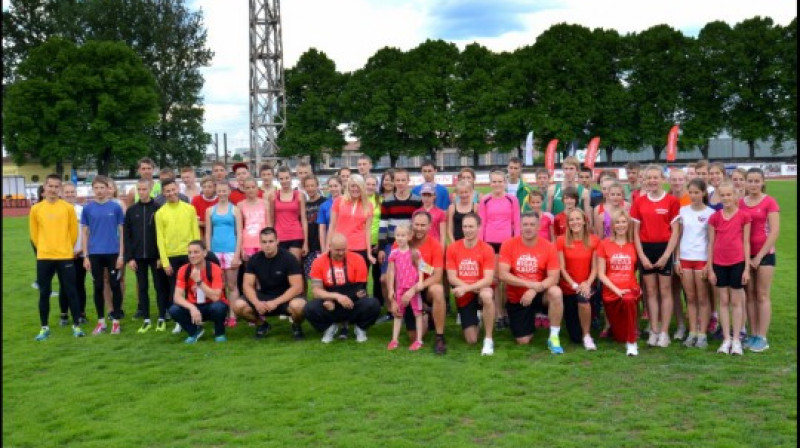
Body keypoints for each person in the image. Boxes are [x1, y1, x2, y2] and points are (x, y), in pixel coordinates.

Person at [498, 211, 564, 354]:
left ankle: (553, 337)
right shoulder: (508, 244)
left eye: (532, 224)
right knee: (523, 341)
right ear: (520, 226)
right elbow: (502, 274)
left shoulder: (548, 246)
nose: (528, 228)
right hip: (518, 296)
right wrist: (529, 285)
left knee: (556, 292)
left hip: (540, 292)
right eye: (525, 224)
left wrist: (535, 289)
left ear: (539, 226)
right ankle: (532, 318)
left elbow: (554, 277)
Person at [30, 174, 84, 340]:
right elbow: (34, 234)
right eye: (50, 186)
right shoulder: (36, 209)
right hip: (44, 257)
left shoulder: (67, 208)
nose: (52, 190)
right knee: (44, 292)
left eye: (56, 187)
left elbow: (73, 233)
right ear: (44, 188)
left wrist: (65, 248)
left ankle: (76, 326)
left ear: (59, 189)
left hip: (64, 256)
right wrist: (45, 248)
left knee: (70, 290)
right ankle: (44, 327)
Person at [631, 165, 680, 348]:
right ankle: (653, 329)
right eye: (649, 178)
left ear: (662, 179)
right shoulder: (639, 202)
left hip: (664, 249)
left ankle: (665, 332)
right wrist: (641, 255)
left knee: (665, 291)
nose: (652, 181)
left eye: (655, 177)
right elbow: (635, 232)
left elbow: (676, 231)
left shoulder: (671, 201)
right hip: (645, 249)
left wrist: (667, 255)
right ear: (644, 181)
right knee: (650, 291)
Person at [304, 233, 381, 343]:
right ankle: (329, 328)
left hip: (352, 302)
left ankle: (360, 328)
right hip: (330, 304)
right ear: (329, 247)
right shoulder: (318, 262)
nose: (341, 253)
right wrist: (333, 298)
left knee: (373, 304)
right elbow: (316, 291)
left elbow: (361, 291)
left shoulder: (358, 259)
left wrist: (345, 298)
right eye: (337, 250)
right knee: (309, 308)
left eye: (343, 250)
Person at [233, 227, 306, 339]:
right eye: (264, 242)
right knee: (238, 306)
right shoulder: (255, 259)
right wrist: (256, 303)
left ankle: (296, 326)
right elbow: (247, 285)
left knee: (299, 306)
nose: (267, 245)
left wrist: (276, 302)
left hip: (285, 297)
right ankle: (262, 325)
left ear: (277, 241)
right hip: (264, 296)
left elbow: (297, 287)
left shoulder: (289, 258)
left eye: (271, 241)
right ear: (260, 243)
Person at [708, 181, 751, 356]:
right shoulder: (715, 217)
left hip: (737, 263)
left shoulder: (744, 217)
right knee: (723, 302)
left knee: (736, 302)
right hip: (719, 263)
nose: (726, 198)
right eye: (723, 195)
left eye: (729, 195)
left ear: (736, 196)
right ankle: (726, 339)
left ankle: (736, 339)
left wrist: (747, 268)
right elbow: (711, 244)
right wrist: (710, 268)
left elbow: (746, 243)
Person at [397, 211, 448, 354]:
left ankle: (440, 336)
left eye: (423, 225)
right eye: (416, 224)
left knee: (438, 289)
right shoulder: (402, 240)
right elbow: (393, 270)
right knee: (413, 337)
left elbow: (437, 275)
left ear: (430, 226)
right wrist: (393, 296)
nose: (419, 228)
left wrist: (416, 287)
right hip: (406, 287)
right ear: (412, 224)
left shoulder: (435, 245)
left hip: (424, 286)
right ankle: (427, 314)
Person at [445, 213, 496, 355]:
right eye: (465, 226)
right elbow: (451, 277)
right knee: (471, 339)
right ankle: (478, 318)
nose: (467, 230)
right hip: (465, 293)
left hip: (479, 290)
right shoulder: (453, 248)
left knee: (487, 295)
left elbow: (488, 279)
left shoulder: (487, 249)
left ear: (479, 227)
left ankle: (488, 339)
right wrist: (467, 289)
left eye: (471, 226)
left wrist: (467, 287)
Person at [155, 179, 201, 334]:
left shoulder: (189, 209)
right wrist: (165, 261)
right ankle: (180, 321)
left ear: (178, 189)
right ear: (163, 193)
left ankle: (198, 317)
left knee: (193, 288)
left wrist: (197, 255)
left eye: (173, 190)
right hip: (172, 256)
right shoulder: (160, 213)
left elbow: (195, 233)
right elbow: (160, 239)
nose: (171, 193)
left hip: (189, 255)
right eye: (167, 191)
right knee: (176, 290)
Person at [740, 168, 779, 352]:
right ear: (746, 183)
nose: (753, 185)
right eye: (750, 181)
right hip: (746, 256)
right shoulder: (741, 202)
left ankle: (762, 336)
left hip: (765, 255)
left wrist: (760, 256)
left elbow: (774, 231)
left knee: (762, 295)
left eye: (757, 181)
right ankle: (752, 334)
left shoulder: (769, 202)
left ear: (763, 182)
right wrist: (748, 258)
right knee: (749, 295)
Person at [82, 176, 125, 335]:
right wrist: (86, 256)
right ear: (93, 190)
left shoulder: (116, 208)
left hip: (113, 253)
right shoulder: (88, 209)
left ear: (108, 189)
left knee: (115, 285)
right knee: (98, 286)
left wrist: (121, 255)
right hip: (95, 254)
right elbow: (85, 234)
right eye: (96, 188)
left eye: (102, 188)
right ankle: (101, 322)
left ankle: (115, 320)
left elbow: (122, 233)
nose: (99, 191)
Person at [478, 170, 521, 331]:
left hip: (508, 244)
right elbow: (481, 223)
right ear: (490, 183)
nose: (497, 184)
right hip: (490, 244)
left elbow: (516, 222)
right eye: (494, 181)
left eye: (499, 181)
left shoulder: (512, 200)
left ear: (505, 182)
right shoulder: (485, 200)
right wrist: (482, 245)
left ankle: (506, 311)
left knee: (506, 279)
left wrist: (516, 243)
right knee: (495, 280)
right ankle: (497, 314)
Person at [124, 179, 169, 333]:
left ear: (150, 189)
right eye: (139, 189)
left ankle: (162, 317)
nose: (142, 192)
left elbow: (163, 234)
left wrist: (161, 256)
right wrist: (129, 257)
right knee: (142, 287)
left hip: (155, 256)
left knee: (159, 286)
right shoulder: (131, 210)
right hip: (138, 257)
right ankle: (146, 319)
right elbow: (127, 235)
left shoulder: (158, 208)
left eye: (144, 189)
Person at [675, 178, 714, 349]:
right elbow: (678, 236)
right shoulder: (682, 211)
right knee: (690, 298)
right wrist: (677, 259)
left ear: (704, 193)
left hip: (701, 259)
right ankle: (692, 332)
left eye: (697, 192)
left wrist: (709, 264)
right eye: (690, 192)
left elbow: (712, 242)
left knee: (702, 298)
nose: (693, 196)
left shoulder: (711, 213)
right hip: (685, 258)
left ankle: (702, 334)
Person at [597, 209, 642, 356]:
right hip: (611, 293)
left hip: (630, 290)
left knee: (629, 300)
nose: (621, 225)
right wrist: (617, 290)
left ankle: (632, 343)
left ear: (628, 224)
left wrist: (637, 288)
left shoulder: (634, 244)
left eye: (624, 222)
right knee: (619, 337)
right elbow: (601, 274)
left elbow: (637, 269)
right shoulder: (604, 244)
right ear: (612, 225)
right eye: (617, 222)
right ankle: (621, 333)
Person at [168, 240, 229, 343]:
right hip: (194, 306)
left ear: (204, 253)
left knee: (219, 307)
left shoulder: (215, 269)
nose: (192, 255)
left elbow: (216, 297)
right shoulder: (183, 270)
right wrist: (192, 308)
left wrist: (199, 281)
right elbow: (177, 297)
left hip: (211, 305)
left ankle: (219, 332)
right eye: (190, 253)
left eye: (196, 252)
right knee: (174, 310)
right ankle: (194, 332)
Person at [557, 209, 600, 350]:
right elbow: (561, 268)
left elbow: (595, 268)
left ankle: (587, 336)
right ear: (568, 223)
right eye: (571, 220)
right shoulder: (561, 240)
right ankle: (581, 328)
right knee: (575, 337)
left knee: (583, 301)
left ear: (584, 221)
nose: (575, 222)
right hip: (569, 287)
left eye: (578, 219)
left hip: (587, 285)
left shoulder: (594, 240)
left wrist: (586, 284)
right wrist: (575, 285)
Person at [205, 181, 243, 328]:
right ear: (216, 191)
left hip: (231, 250)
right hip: (215, 251)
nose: (221, 193)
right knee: (218, 286)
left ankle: (233, 314)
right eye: (219, 191)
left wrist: (237, 254)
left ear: (229, 191)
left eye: (224, 191)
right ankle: (222, 314)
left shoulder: (235, 210)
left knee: (232, 285)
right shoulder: (210, 211)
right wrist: (209, 253)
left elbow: (239, 233)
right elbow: (208, 233)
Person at [386, 225, 425, 351]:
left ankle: (419, 340)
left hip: (413, 288)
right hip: (400, 288)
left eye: (403, 235)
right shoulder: (394, 253)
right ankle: (394, 340)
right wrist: (391, 289)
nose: (400, 238)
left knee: (417, 313)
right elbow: (391, 272)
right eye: (398, 235)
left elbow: (422, 267)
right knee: (398, 314)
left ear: (409, 237)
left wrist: (420, 282)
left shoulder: (415, 252)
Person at [327, 174, 374, 267]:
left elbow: (368, 231)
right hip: (341, 247)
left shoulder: (368, 205)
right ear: (348, 187)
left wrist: (369, 253)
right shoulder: (339, 201)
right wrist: (328, 247)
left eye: (358, 186)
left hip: (360, 248)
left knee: (360, 280)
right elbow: (332, 226)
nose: (355, 189)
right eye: (353, 186)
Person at [58, 182, 88, 326]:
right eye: (67, 192)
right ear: (62, 194)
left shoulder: (82, 210)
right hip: (63, 255)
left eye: (72, 192)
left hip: (80, 254)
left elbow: (87, 232)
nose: (70, 195)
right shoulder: (58, 210)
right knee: (65, 285)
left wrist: (81, 249)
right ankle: (64, 315)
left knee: (79, 284)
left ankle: (81, 313)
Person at [668, 168, 691, 339]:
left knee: (690, 291)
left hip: (689, 251)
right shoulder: (667, 198)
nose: (677, 182)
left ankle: (694, 325)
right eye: (673, 179)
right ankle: (681, 325)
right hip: (669, 249)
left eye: (680, 179)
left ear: (685, 180)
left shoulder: (691, 198)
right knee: (674, 290)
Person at [270, 166, 308, 262]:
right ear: (278, 180)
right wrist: (271, 238)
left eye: (287, 178)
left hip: (296, 234)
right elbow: (271, 219)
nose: (284, 181)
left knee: (294, 266)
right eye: (281, 179)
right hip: (279, 236)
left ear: (291, 178)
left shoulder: (299, 195)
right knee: (280, 267)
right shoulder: (274, 195)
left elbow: (303, 219)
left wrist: (306, 242)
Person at [303, 175, 327, 291]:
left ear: (318, 186)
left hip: (321, 243)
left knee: (322, 276)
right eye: (307, 186)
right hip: (309, 244)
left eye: (312, 185)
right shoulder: (305, 205)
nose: (310, 188)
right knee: (310, 275)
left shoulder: (324, 202)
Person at [447, 180, 478, 244]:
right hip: (457, 242)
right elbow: (450, 230)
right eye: (461, 192)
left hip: (472, 243)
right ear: (457, 193)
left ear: (471, 192)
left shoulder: (476, 207)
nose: (464, 195)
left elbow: (479, 227)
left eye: (466, 192)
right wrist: (454, 244)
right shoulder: (452, 208)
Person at [416, 182, 446, 247]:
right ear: (421, 196)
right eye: (424, 195)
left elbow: (442, 235)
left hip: (435, 245)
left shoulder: (440, 213)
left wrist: (441, 250)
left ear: (434, 196)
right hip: (421, 245)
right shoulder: (416, 213)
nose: (426, 198)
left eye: (429, 195)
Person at [318, 176, 343, 253]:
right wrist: (324, 248)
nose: (333, 189)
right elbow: (322, 229)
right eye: (331, 186)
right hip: (331, 241)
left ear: (341, 186)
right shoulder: (324, 206)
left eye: (336, 186)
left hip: (346, 240)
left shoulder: (347, 202)